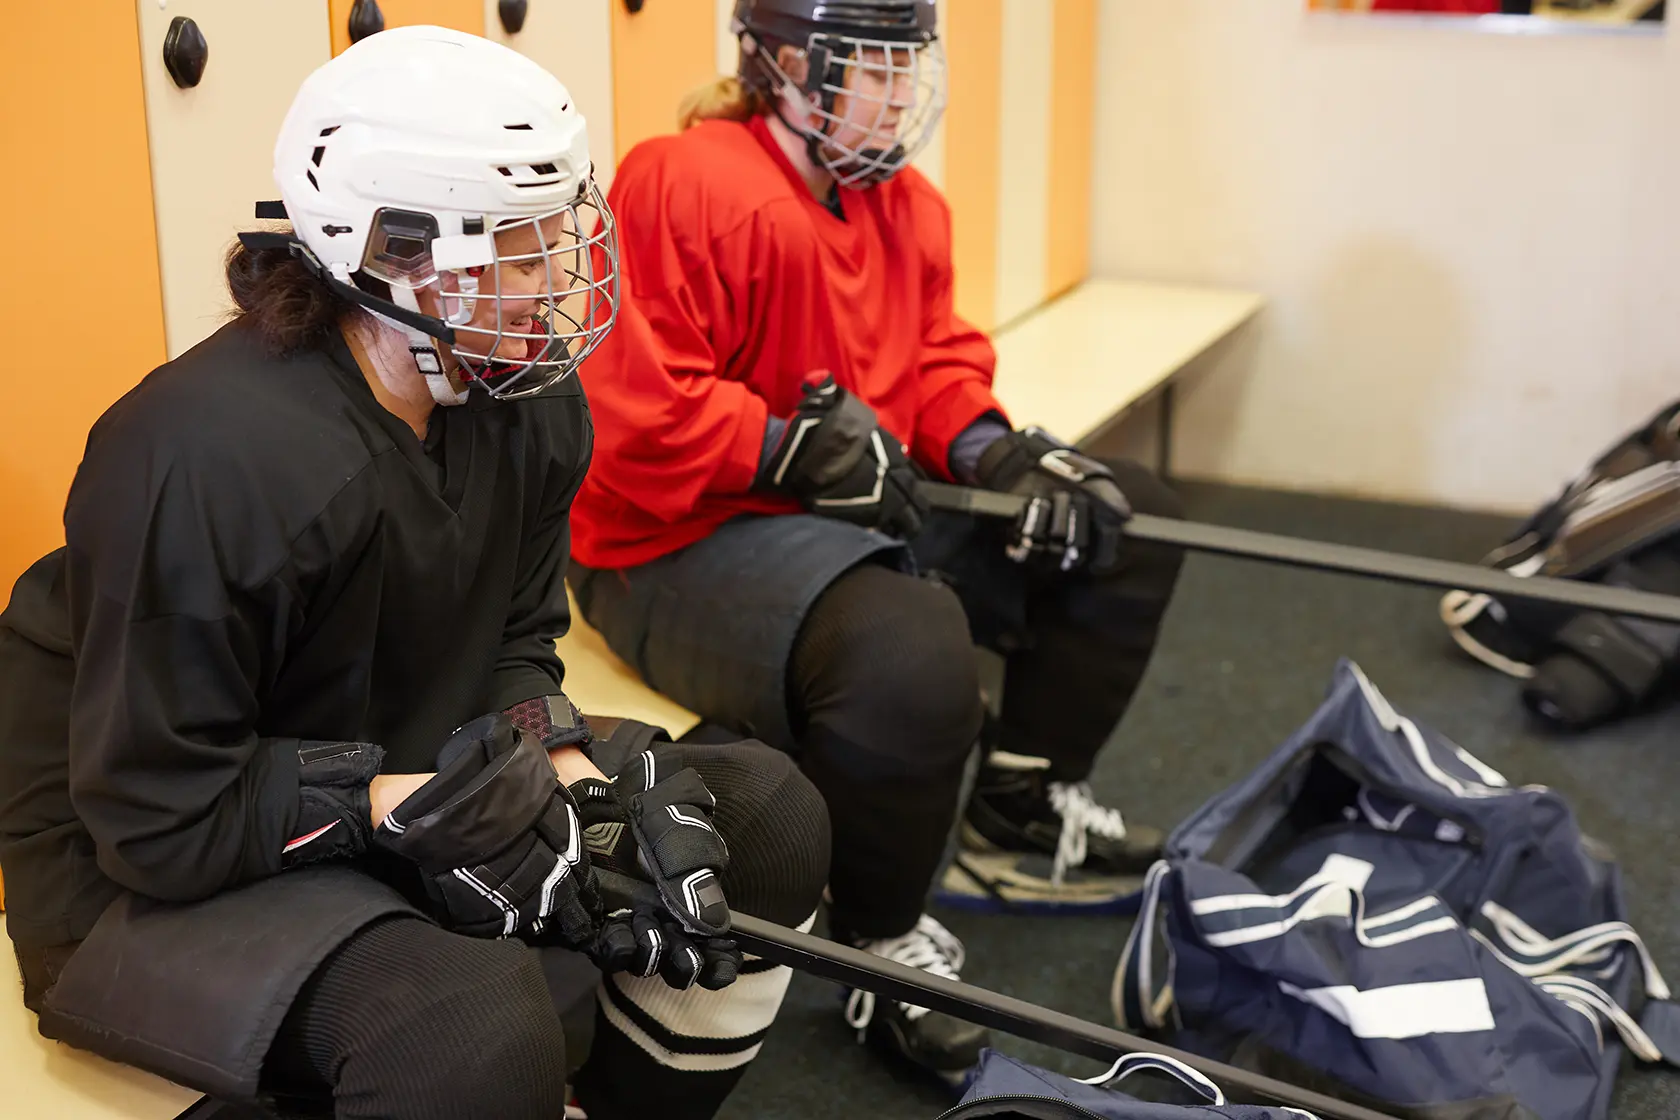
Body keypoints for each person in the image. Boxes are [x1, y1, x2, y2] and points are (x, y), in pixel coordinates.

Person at [0, 26, 829, 1120]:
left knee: (763, 816)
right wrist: (409, 808)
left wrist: (582, 782)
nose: (558, 284)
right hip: (139, 857)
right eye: (519, 249)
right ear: (390, 250)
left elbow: (515, 647)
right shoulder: (203, 457)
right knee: (467, 1030)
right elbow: (156, 814)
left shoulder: (525, 399)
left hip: (394, 746)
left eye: (558, 235)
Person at [565, 0, 1187, 1084]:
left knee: (1120, 516)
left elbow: (939, 360)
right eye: (876, 69)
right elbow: (630, 415)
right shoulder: (685, 180)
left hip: (854, 516)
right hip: (674, 541)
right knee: (911, 644)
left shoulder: (908, 207)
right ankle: (877, 938)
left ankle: (1013, 813)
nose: (902, 95)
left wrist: (997, 455)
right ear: (789, 65)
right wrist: (782, 449)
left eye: (911, 69)